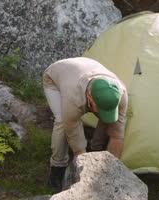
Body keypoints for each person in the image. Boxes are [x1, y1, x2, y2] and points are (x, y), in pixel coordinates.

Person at [42, 57, 128, 190]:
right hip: (55, 76)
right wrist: (86, 179)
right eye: (98, 107)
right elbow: (78, 148)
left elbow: (117, 135)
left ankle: (96, 149)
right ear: (89, 97)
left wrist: (113, 171)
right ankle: (57, 168)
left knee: (109, 119)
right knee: (61, 122)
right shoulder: (73, 99)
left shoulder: (120, 94)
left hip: (84, 70)